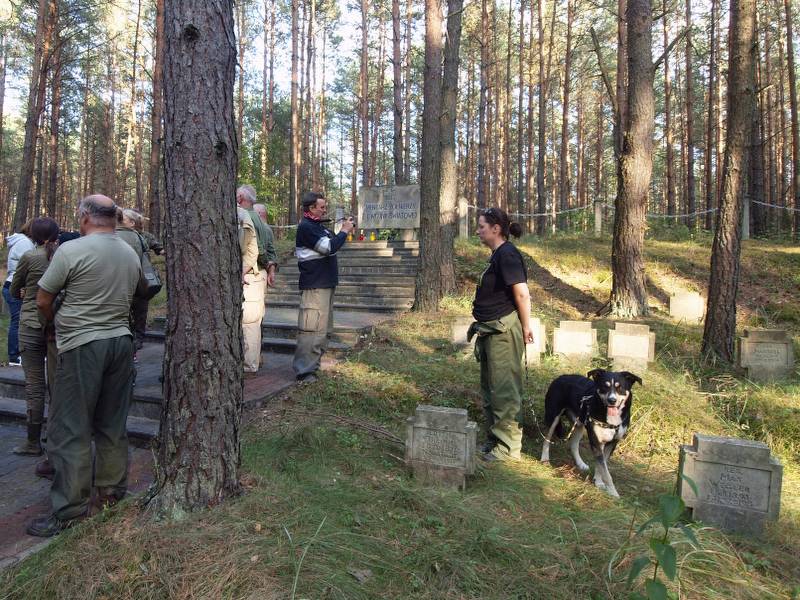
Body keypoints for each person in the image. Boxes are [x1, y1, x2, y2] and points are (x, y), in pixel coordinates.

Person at [26, 195, 143, 537]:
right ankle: (109, 495)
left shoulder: (71, 250)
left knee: (71, 427)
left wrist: (54, 323)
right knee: (111, 424)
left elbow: (43, 299)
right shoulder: (129, 251)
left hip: (82, 346)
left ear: (85, 217)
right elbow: (138, 294)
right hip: (121, 343)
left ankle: (70, 511)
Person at [469, 207, 533, 462]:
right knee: (491, 389)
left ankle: (508, 448)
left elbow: (522, 294)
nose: (477, 231)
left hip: (503, 332)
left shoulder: (508, 254)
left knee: (504, 390)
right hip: (491, 331)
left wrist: (526, 326)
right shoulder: (497, 255)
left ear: (496, 229)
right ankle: (495, 440)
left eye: (481, 226)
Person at [293, 191, 355, 383]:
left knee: (323, 330)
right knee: (311, 330)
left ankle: (313, 367)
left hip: (325, 284)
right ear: (311, 208)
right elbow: (328, 248)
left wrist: (343, 231)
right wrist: (344, 231)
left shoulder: (319, 227)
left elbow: (332, 243)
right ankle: (304, 372)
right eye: (322, 207)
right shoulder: (306, 227)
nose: (325, 209)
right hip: (315, 286)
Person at [10, 217, 59, 456]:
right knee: (58, 383)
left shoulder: (29, 257)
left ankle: (32, 442)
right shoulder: (64, 256)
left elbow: (13, 289)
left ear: (33, 235)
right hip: (57, 324)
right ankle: (55, 437)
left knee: (35, 385)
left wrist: (25, 292)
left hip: (31, 323)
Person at [4, 220, 35, 365]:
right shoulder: (25, 243)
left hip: (14, 285)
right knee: (17, 321)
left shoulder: (24, 241)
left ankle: (19, 354)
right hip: (15, 286)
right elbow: (26, 268)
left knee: (19, 320)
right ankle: (14, 356)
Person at [237, 202, 263, 373]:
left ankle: (249, 366)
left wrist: (241, 271)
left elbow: (255, 250)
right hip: (254, 276)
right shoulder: (259, 220)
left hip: (249, 275)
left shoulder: (245, 216)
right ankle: (251, 363)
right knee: (251, 323)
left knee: (249, 323)